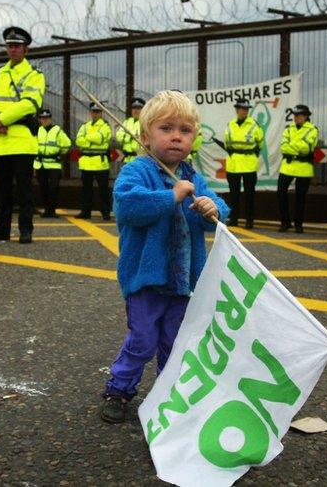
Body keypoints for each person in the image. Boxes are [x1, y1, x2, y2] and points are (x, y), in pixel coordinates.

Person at [99, 90, 229, 424]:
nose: (176, 136)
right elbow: (129, 206)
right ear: (145, 136)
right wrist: (171, 195)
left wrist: (212, 208)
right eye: (166, 128)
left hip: (183, 282)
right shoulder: (136, 171)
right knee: (142, 340)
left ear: (194, 139)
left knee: (174, 343)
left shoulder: (194, 177)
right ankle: (119, 389)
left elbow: (219, 212)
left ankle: (167, 396)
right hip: (146, 279)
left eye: (185, 130)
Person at [0, 26, 46, 244]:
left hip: (21, 140)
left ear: (26, 49)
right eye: (9, 46)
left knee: (24, 189)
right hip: (0, 139)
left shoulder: (34, 75)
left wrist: (2, 119)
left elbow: (30, 104)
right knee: (3, 189)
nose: (13, 50)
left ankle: (26, 230)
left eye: (17, 46)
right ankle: (1, 229)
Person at [278, 104, 319, 233]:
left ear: (306, 116)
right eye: (295, 115)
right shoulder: (288, 129)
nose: (296, 117)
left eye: (299, 115)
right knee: (281, 192)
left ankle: (298, 223)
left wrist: (292, 145)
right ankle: (285, 222)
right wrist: (298, 147)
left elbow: (307, 147)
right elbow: (283, 146)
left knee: (300, 197)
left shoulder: (312, 129)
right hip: (287, 166)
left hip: (304, 167)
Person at [223, 98, 264, 228]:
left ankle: (249, 220)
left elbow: (260, 143)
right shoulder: (230, 124)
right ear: (237, 109)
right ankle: (234, 219)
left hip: (249, 163)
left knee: (249, 195)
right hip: (233, 163)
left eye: (246, 109)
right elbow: (226, 142)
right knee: (234, 194)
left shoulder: (254, 125)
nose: (244, 111)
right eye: (241, 108)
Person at [75, 102, 113, 220]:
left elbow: (101, 138)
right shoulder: (85, 126)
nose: (95, 114)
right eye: (93, 111)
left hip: (100, 163)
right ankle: (85, 212)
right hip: (86, 163)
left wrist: (86, 138)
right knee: (86, 190)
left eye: (98, 112)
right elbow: (78, 141)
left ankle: (105, 213)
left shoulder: (105, 126)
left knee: (103, 190)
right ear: (90, 112)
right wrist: (92, 139)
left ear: (101, 113)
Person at [34, 108, 71, 218]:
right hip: (40, 163)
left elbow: (66, 144)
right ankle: (46, 210)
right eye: (42, 118)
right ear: (40, 119)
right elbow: (32, 145)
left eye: (46, 118)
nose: (44, 120)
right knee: (43, 187)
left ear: (50, 118)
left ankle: (52, 210)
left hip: (54, 164)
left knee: (54, 188)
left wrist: (58, 153)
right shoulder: (37, 130)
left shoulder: (57, 130)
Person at [117, 97, 145, 165]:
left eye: (138, 108)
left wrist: (127, 134)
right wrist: (132, 135)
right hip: (126, 159)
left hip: (140, 159)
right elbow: (119, 136)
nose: (136, 110)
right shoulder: (126, 122)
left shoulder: (145, 123)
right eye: (134, 108)